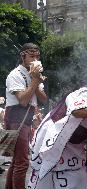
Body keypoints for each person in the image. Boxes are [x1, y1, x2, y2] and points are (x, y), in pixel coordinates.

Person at [4, 43, 47, 189]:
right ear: (23, 56)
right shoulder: (15, 74)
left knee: (17, 162)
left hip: (27, 119)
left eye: (37, 56)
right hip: (16, 118)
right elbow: (22, 100)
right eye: (31, 56)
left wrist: (35, 78)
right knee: (22, 162)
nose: (35, 59)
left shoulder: (34, 74)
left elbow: (43, 98)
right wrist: (35, 80)